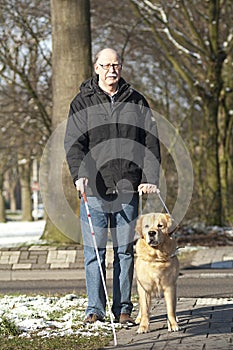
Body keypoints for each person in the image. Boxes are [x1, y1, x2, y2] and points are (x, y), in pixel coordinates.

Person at [64, 48, 161, 325]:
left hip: (128, 187)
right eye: (105, 65)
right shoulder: (82, 102)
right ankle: (94, 309)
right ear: (96, 68)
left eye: (115, 65)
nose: (111, 70)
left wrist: (149, 177)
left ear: (121, 67)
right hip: (93, 188)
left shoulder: (137, 101)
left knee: (124, 251)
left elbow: (150, 142)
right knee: (94, 253)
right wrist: (79, 175)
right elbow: (74, 143)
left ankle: (123, 308)